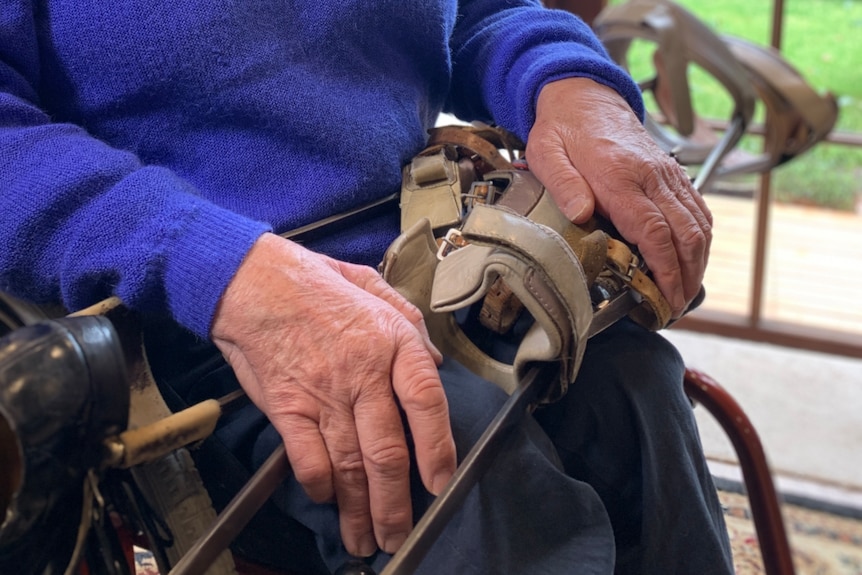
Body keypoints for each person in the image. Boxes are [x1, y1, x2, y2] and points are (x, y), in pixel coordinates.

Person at [0, 1, 731, 573]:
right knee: (460, 464)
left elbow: (483, 10)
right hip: (187, 304)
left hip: (424, 241)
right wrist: (211, 265)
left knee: (633, 391)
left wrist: (568, 85)